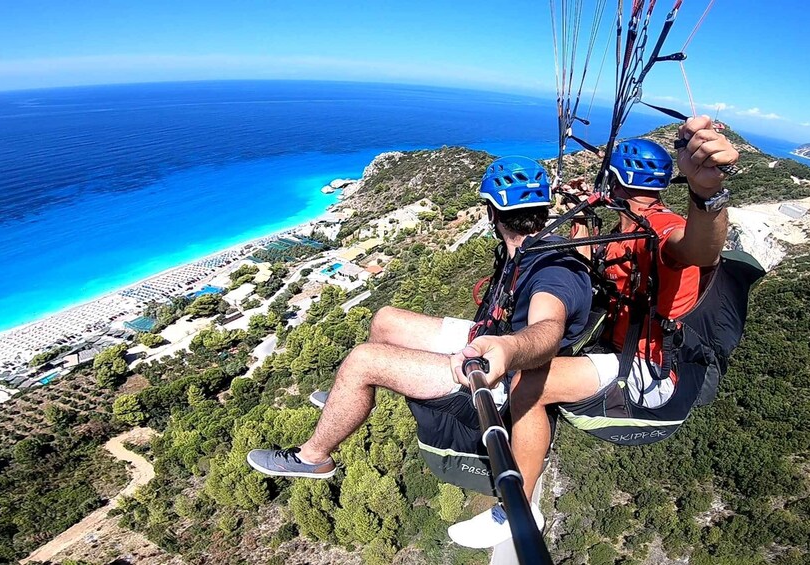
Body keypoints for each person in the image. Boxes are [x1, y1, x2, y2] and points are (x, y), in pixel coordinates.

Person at [246, 156, 593, 539]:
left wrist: (508, 349)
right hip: (493, 334)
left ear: (491, 212)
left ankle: (313, 457)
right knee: (385, 320)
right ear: (543, 211)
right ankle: (347, 401)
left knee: (362, 361)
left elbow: (548, 328)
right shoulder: (533, 246)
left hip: (498, 371)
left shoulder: (551, 273)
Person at [447, 115, 738, 548]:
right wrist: (580, 215)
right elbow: (586, 265)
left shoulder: (661, 227)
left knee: (531, 385)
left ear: (615, 181)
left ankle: (517, 510)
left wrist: (707, 195)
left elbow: (698, 248)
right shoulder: (625, 227)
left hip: (649, 369)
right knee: (532, 369)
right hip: (619, 351)